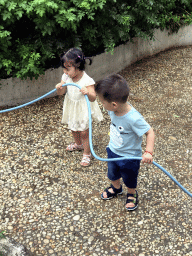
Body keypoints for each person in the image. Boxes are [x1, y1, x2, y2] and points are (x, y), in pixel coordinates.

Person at [95, 74, 155, 211]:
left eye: (102, 102)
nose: (102, 105)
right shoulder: (113, 110)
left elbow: (150, 132)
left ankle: (132, 194)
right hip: (113, 150)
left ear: (114, 104)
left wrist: (148, 152)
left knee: (130, 178)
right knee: (112, 174)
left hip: (129, 157)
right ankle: (116, 188)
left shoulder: (133, 118)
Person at [55, 48, 103, 167]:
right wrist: (59, 88)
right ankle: (79, 144)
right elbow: (61, 93)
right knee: (73, 128)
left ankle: (87, 153)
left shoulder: (87, 80)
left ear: (78, 66)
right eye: (64, 68)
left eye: (68, 68)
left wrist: (87, 92)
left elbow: (93, 98)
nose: (65, 71)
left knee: (84, 132)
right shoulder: (66, 77)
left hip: (83, 109)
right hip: (72, 106)